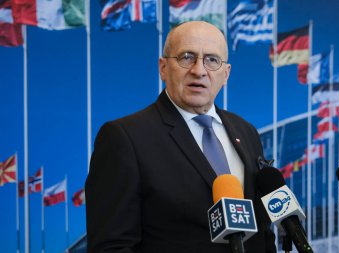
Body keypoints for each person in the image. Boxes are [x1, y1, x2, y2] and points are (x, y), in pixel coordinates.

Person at [85, 21, 276, 253]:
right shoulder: (124, 138)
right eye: (187, 57)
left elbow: (263, 235)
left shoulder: (246, 131)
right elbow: (112, 247)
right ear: (163, 67)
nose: (199, 70)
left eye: (212, 60)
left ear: (226, 74)